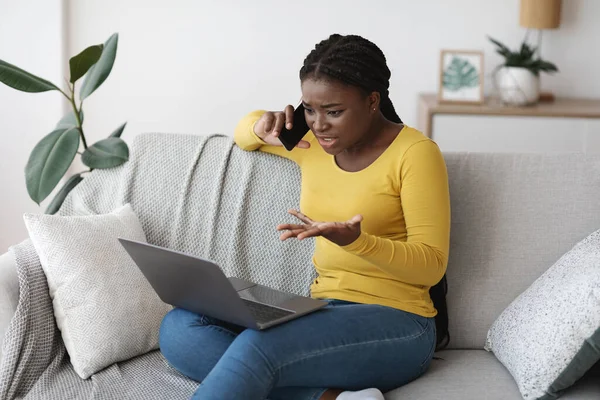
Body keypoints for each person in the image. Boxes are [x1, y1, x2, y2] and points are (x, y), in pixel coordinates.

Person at [159, 33, 451, 400]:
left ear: (372, 100)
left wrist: (357, 242)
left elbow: (432, 265)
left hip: (398, 323)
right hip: (323, 308)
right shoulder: (311, 144)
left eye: (333, 111)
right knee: (180, 327)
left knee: (259, 347)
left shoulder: (416, 153)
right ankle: (329, 397)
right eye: (309, 110)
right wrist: (259, 126)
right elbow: (244, 133)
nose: (319, 124)